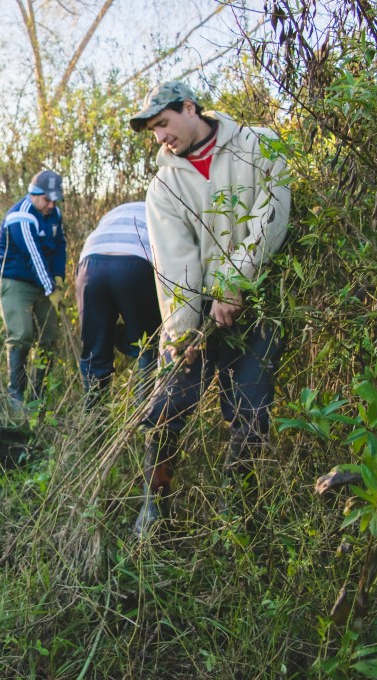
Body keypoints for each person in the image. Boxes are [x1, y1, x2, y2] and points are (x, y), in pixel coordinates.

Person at [128, 81, 291, 538]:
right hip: (197, 314)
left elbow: (271, 214)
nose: (160, 136)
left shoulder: (257, 144)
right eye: (153, 130)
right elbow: (175, 265)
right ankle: (153, 505)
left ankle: (236, 511)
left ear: (190, 107)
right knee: (165, 409)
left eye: (163, 122)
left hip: (258, 305)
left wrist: (237, 283)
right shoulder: (164, 186)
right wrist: (181, 332)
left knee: (250, 412)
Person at [0, 170, 68, 410]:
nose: (51, 205)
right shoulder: (21, 216)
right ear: (33, 194)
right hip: (13, 280)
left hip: (43, 281)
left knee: (48, 337)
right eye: (46, 199)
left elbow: (59, 247)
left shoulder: (54, 214)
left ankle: (38, 396)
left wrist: (58, 278)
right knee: (22, 334)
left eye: (55, 200)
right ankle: (16, 395)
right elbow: (33, 255)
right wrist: (50, 288)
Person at [75, 201, 162, 407]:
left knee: (94, 348)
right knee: (148, 342)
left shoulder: (119, 211)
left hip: (89, 265)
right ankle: (144, 414)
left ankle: (94, 418)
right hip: (135, 263)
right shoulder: (160, 208)